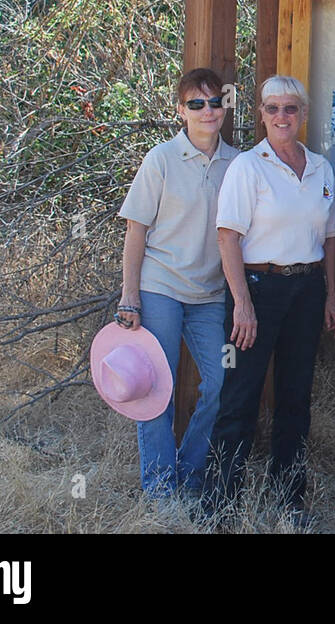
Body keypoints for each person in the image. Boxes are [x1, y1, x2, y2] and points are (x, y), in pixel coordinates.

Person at [204, 75, 335, 526]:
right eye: (273, 108)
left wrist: (333, 295)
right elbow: (228, 237)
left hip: (307, 290)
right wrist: (241, 304)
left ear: (303, 114)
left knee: (295, 397)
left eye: (290, 108)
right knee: (239, 397)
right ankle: (221, 503)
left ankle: (289, 498)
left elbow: (333, 237)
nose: (282, 117)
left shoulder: (320, 167)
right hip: (258, 290)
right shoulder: (248, 166)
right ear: (261, 115)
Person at [116, 67, 238, 499]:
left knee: (221, 383)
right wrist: (130, 297)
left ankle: (189, 471)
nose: (207, 111)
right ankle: (160, 489)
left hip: (209, 296)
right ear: (180, 110)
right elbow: (136, 230)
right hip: (160, 287)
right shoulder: (161, 159)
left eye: (214, 102)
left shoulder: (237, 164)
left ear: (225, 106)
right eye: (196, 104)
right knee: (156, 388)